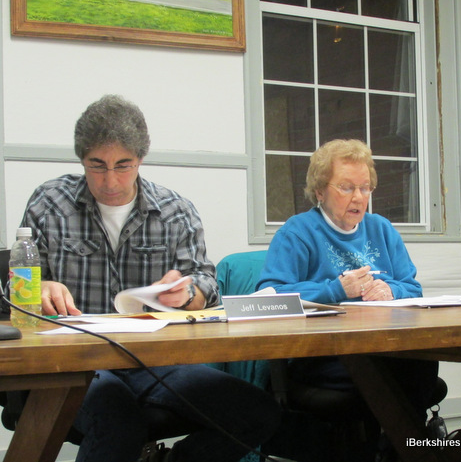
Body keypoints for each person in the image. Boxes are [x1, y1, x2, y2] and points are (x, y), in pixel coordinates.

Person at [20, 95, 281, 462]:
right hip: (77, 360)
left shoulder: (175, 211)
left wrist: (187, 293)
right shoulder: (49, 204)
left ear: (140, 158)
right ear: (81, 160)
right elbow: (18, 287)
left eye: (123, 165)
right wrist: (41, 286)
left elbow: (207, 284)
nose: (111, 180)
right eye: (97, 166)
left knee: (257, 412)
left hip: (154, 359)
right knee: (117, 420)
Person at [256, 139, 438, 457]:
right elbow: (269, 296)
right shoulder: (297, 232)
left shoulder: (382, 229)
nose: (358, 197)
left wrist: (391, 291)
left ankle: (397, 450)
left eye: (365, 188)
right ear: (320, 191)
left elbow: (413, 288)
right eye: (346, 187)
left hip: (384, 347)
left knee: (423, 361)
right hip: (321, 356)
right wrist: (336, 291)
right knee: (400, 377)